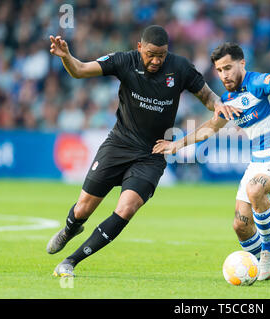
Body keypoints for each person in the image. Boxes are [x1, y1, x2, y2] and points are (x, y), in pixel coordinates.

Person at [47, 25, 241, 277]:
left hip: (153, 153)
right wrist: (67, 58)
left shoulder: (180, 67)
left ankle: (70, 262)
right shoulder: (124, 61)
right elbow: (81, 70)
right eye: (151, 54)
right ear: (139, 47)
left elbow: (207, 96)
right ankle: (70, 229)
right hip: (118, 145)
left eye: (161, 54)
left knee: (126, 208)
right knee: (83, 209)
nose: (156, 60)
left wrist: (218, 105)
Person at [153, 42, 270, 280]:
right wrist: (178, 143)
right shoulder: (228, 100)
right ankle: (267, 269)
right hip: (258, 162)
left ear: (242, 63)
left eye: (228, 68)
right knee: (240, 226)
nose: (224, 74)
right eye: (219, 70)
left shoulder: (258, 83)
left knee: (255, 188)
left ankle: (269, 251)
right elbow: (211, 127)